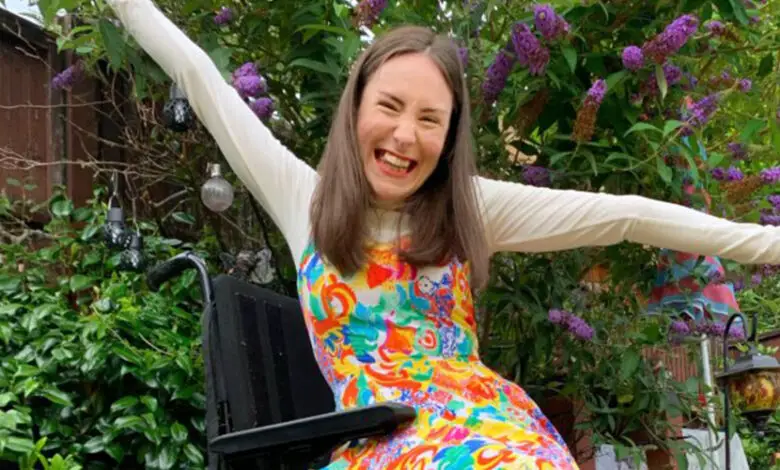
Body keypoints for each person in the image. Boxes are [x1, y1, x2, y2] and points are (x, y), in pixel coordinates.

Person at [107, 0, 780, 468]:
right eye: (391, 107)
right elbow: (199, 77)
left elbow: (626, 216)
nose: (406, 136)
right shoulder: (301, 197)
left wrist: (767, 245)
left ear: (451, 134)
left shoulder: (468, 209)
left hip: (486, 424)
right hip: (382, 440)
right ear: (357, 108)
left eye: (431, 119)